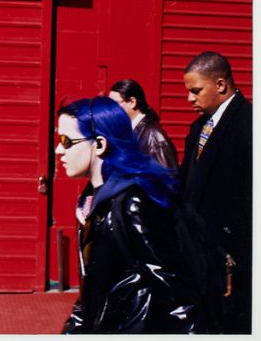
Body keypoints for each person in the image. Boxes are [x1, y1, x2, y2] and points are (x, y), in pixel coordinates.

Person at [55, 96, 205, 333]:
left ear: (100, 145)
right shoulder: (91, 203)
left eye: (66, 141)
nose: (58, 150)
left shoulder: (134, 202)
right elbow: (91, 293)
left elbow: (177, 292)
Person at [179, 51, 251, 334]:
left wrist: (233, 259)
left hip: (234, 266)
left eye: (196, 91)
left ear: (220, 85)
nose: (189, 99)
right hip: (201, 257)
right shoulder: (199, 127)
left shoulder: (248, 125)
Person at [107, 78, 178, 170]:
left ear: (132, 102)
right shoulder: (128, 130)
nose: (110, 109)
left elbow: (168, 179)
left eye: (115, 104)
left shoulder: (154, 136)